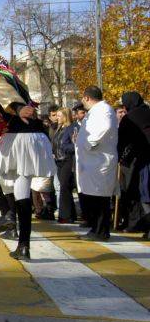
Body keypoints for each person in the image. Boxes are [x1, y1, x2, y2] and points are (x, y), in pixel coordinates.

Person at [0, 33, 55, 261]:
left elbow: (7, 96)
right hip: (27, 136)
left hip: (19, 136)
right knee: (20, 187)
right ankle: (23, 244)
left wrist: (17, 108)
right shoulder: (7, 76)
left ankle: (6, 214)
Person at [75, 86, 118, 241]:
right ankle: (96, 229)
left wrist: (89, 144)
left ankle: (100, 231)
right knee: (93, 197)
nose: (82, 101)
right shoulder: (96, 111)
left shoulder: (103, 109)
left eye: (82, 98)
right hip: (92, 162)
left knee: (99, 198)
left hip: (99, 161)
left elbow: (104, 127)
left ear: (87, 98)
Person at [117, 92, 150, 239]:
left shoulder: (129, 118)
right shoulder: (148, 112)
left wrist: (118, 158)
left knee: (144, 193)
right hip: (143, 158)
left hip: (144, 160)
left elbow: (122, 142)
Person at [52, 107, 78, 223]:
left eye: (59, 115)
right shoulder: (59, 129)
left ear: (65, 116)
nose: (57, 117)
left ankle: (65, 216)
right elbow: (56, 143)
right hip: (58, 161)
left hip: (68, 160)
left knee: (64, 186)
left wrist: (65, 148)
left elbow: (75, 145)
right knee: (64, 187)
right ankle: (71, 214)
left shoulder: (72, 128)